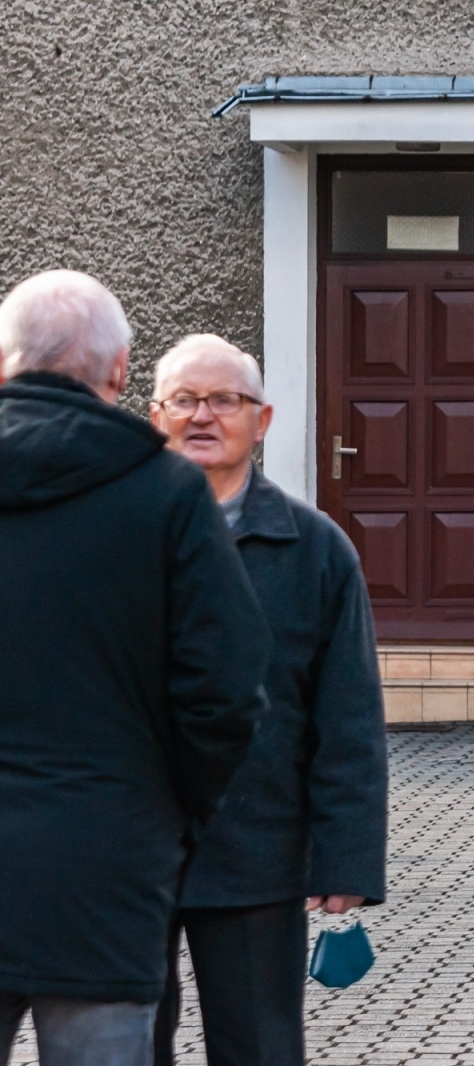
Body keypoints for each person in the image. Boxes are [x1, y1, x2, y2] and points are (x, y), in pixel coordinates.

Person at [0, 272, 269, 1065]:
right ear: (121, 372)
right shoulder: (167, 493)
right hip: (106, 870)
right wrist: (168, 809)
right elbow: (226, 690)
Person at [147, 335, 388, 1066]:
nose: (202, 416)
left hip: (258, 850)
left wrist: (346, 861)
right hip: (124, 851)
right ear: (153, 415)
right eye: (183, 400)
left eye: (225, 400)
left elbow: (348, 718)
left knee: (259, 1046)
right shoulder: (111, 534)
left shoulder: (316, 550)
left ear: (264, 418)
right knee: (119, 1049)